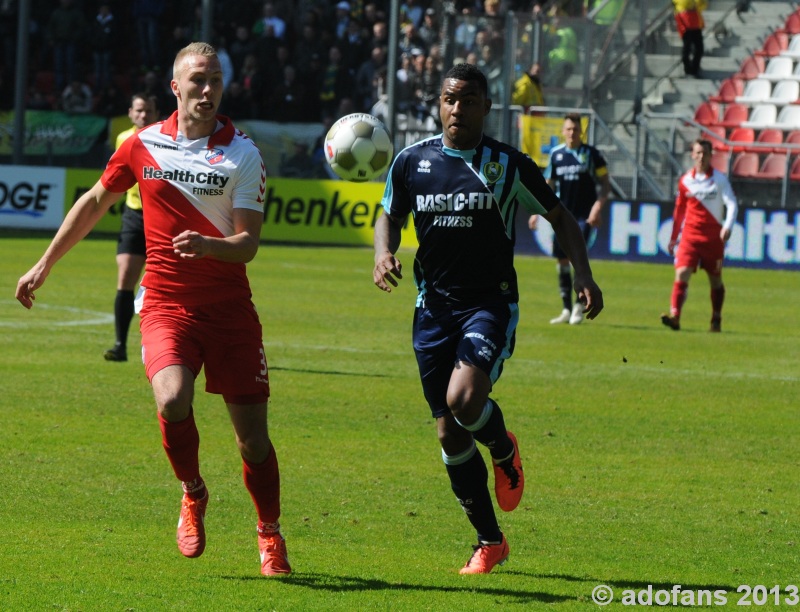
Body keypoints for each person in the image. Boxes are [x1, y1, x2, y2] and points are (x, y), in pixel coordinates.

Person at [16, 42, 291, 577]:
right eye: (197, 81)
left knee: (253, 441)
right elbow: (96, 199)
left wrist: (210, 246)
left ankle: (269, 533)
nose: (207, 90)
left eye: (214, 80)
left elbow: (248, 244)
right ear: (176, 87)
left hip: (230, 310)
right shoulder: (142, 145)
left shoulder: (243, 153)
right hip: (166, 303)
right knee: (171, 399)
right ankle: (192, 493)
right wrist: (45, 263)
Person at [373, 63, 603, 575]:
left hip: (489, 306)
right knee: (448, 435)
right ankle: (489, 541)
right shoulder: (412, 162)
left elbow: (560, 217)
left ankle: (502, 447)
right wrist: (382, 253)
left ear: (486, 107)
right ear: (439, 103)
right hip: (432, 310)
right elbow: (389, 212)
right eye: (450, 99)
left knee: (464, 400)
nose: (458, 109)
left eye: (469, 100)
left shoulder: (508, 166)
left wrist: (584, 276)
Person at [531, 112, 611, 325]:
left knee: (578, 258)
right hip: (561, 216)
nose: (572, 133)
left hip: (584, 216)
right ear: (563, 131)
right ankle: (566, 308)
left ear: (581, 131)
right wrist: (536, 211)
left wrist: (597, 208)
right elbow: (548, 186)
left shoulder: (592, 154)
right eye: (568, 129)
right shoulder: (556, 155)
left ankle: (578, 306)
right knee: (562, 260)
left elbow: (605, 184)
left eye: (576, 129)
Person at [103, 92, 158, 363]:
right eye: (139, 110)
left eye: (148, 110)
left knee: (165, 282)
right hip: (134, 215)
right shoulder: (123, 138)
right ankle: (120, 345)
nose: (143, 115)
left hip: (161, 218)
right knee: (125, 276)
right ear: (130, 112)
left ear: (156, 113)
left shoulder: (166, 139)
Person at [661, 138, 738, 332]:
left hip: (713, 239)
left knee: (715, 280)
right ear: (692, 155)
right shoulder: (686, 181)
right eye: (698, 153)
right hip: (690, 237)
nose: (701, 156)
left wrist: (727, 226)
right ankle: (675, 317)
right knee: (681, 273)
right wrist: (673, 238)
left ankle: (716, 318)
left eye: (705, 153)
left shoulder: (719, 179)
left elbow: (732, 204)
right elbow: (679, 211)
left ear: (711, 156)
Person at [672, 0, 706, 77]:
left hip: (695, 21)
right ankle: (688, 70)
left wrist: (695, 5)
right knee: (687, 49)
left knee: (699, 49)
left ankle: (694, 70)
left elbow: (702, 5)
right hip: (685, 21)